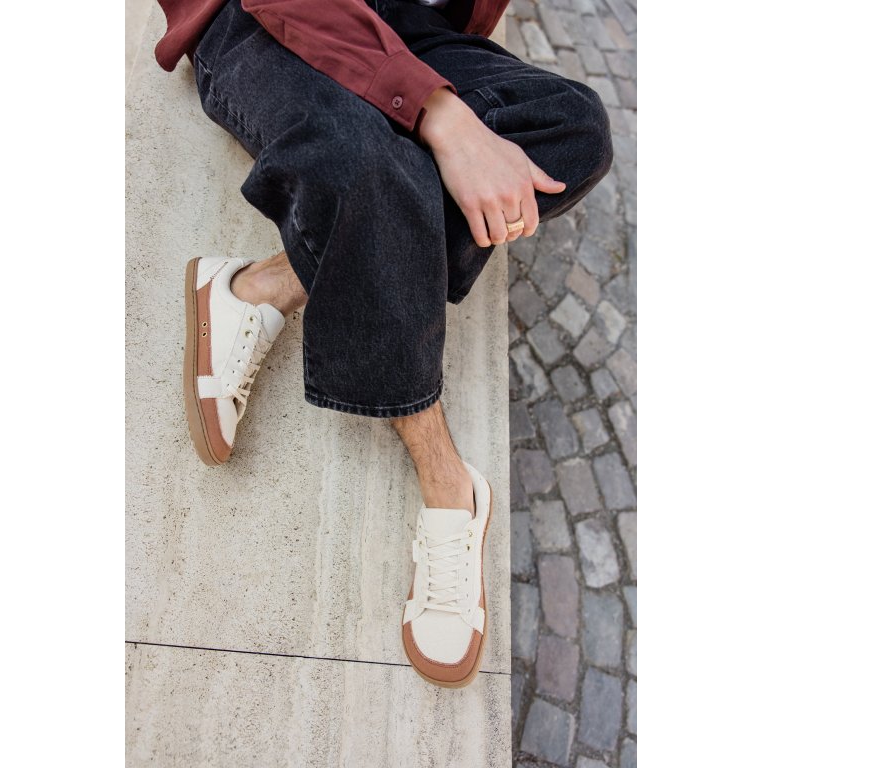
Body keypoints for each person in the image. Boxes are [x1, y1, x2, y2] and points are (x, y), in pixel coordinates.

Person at [156, 0, 612, 688]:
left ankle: (268, 285)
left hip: (408, 27)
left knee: (574, 131)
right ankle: (448, 480)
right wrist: (439, 116)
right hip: (256, 18)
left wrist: (426, 91)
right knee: (365, 162)